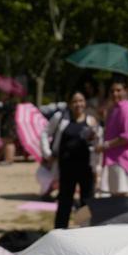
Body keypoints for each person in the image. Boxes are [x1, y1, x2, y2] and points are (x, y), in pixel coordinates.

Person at [43, 91, 101, 229]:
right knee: (65, 201)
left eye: (81, 101)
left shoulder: (91, 120)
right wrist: (47, 153)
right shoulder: (60, 118)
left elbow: (97, 145)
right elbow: (45, 133)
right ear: (69, 103)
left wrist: (97, 168)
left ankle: (85, 231)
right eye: (75, 101)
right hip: (66, 167)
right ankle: (60, 231)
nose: (78, 104)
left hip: (85, 168)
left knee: (86, 202)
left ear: (85, 102)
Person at [101, 81, 128, 196]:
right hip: (113, 158)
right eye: (112, 91)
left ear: (126, 91)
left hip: (122, 159)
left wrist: (106, 145)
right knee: (115, 195)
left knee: (122, 197)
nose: (115, 94)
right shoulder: (115, 109)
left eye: (118, 90)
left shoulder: (125, 109)